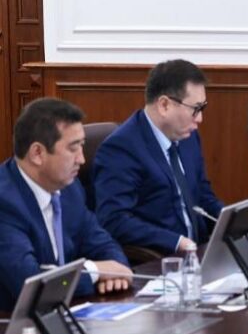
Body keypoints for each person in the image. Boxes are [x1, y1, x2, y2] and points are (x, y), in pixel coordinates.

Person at [0, 99, 131, 310]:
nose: (82, 159)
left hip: (63, 313)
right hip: (12, 323)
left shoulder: (69, 188)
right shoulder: (5, 203)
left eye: (82, 146)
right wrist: (95, 272)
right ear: (37, 153)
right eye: (73, 148)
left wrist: (116, 270)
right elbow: (30, 284)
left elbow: (102, 243)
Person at [93, 59, 223, 254]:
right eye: (195, 109)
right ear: (164, 105)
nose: (200, 119)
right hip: (160, 260)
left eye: (202, 108)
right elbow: (114, 220)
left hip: (200, 253)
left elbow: (202, 195)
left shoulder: (187, 136)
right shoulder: (121, 149)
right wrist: (176, 242)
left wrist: (233, 220)